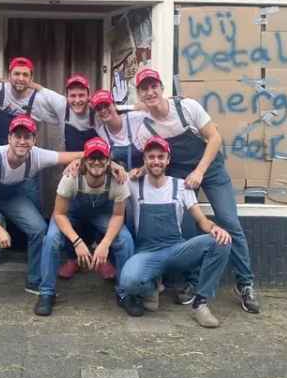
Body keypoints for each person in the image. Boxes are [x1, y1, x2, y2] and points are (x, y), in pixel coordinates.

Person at [133, 68, 260, 313]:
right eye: (144, 89)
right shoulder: (145, 128)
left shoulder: (187, 107)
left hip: (210, 168)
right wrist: (139, 170)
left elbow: (214, 138)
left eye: (153, 86)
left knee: (228, 221)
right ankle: (193, 282)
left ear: (161, 88)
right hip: (179, 172)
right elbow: (154, 158)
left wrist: (200, 171)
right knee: (186, 225)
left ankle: (245, 283)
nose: (150, 92)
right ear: (139, 94)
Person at [0, 115, 84, 314]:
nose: (22, 141)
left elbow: (76, 155)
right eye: (17, 136)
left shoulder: (37, 155)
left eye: (27, 137)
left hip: (9, 196)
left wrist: (82, 163)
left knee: (39, 229)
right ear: (9, 138)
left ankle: (34, 280)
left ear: (34, 141)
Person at [120, 136, 232, 327]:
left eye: (160, 157)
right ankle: (151, 288)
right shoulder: (133, 183)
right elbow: (113, 176)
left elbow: (201, 220)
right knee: (128, 281)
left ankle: (201, 303)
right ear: (145, 160)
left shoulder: (180, 186)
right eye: (151, 157)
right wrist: (123, 171)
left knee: (222, 242)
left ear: (168, 160)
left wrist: (215, 229)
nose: (156, 161)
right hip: (147, 253)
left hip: (177, 251)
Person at [35, 137, 138, 317]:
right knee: (51, 239)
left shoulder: (117, 180)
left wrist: (105, 244)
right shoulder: (71, 177)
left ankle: (125, 293)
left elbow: (118, 215)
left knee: (125, 240)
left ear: (108, 161)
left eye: (101, 158)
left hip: (102, 214)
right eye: (92, 157)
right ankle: (46, 293)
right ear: (84, 160)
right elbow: (58, 214)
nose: (96, 162)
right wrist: (77, 242)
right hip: (70, 213)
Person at [90, 89, 145, 170]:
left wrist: (146, 106)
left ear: (114, 105)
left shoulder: (135, 118)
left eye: (106, 105)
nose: (103, 110)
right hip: (120, 180)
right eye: (99, 108)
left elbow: (155, 114)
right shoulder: (101, 132)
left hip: (143, 177)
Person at [62, 73, 98, 151]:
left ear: (89, 96)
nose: (77, 100)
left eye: (81, 95)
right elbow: (44, 93)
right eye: (73, 96)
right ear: (66, 97)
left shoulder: (98, 113)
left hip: (95, 162)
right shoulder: (61, 110)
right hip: (71, 161)